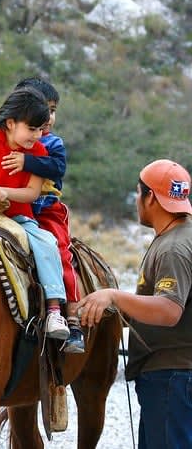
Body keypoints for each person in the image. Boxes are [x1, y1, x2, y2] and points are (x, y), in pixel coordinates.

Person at [78, 159, 192, 448]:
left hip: (172, 378)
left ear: (150, 196)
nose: (137, 202)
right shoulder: (182, 237)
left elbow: (168, 310)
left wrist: (113, 296)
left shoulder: (173, 249)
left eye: (137, 194)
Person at [0, 85, 72, 343]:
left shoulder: (39, 152)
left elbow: (32, 193)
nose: (38, 135)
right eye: (32, 129)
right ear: (10, 123)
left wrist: (6, 192)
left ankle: (54, 309)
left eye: (40, 129)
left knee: (47, 243)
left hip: (18, 216)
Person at [1, 77, 84, 353]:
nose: (48, 117)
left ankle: (70, 317)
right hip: (8, 207)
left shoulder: (53, 143)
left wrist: (27, 160)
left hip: (45, 210)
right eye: (41, 109)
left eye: (52, 109)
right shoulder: (5, 139)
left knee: (59, 251)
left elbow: (57, 167)